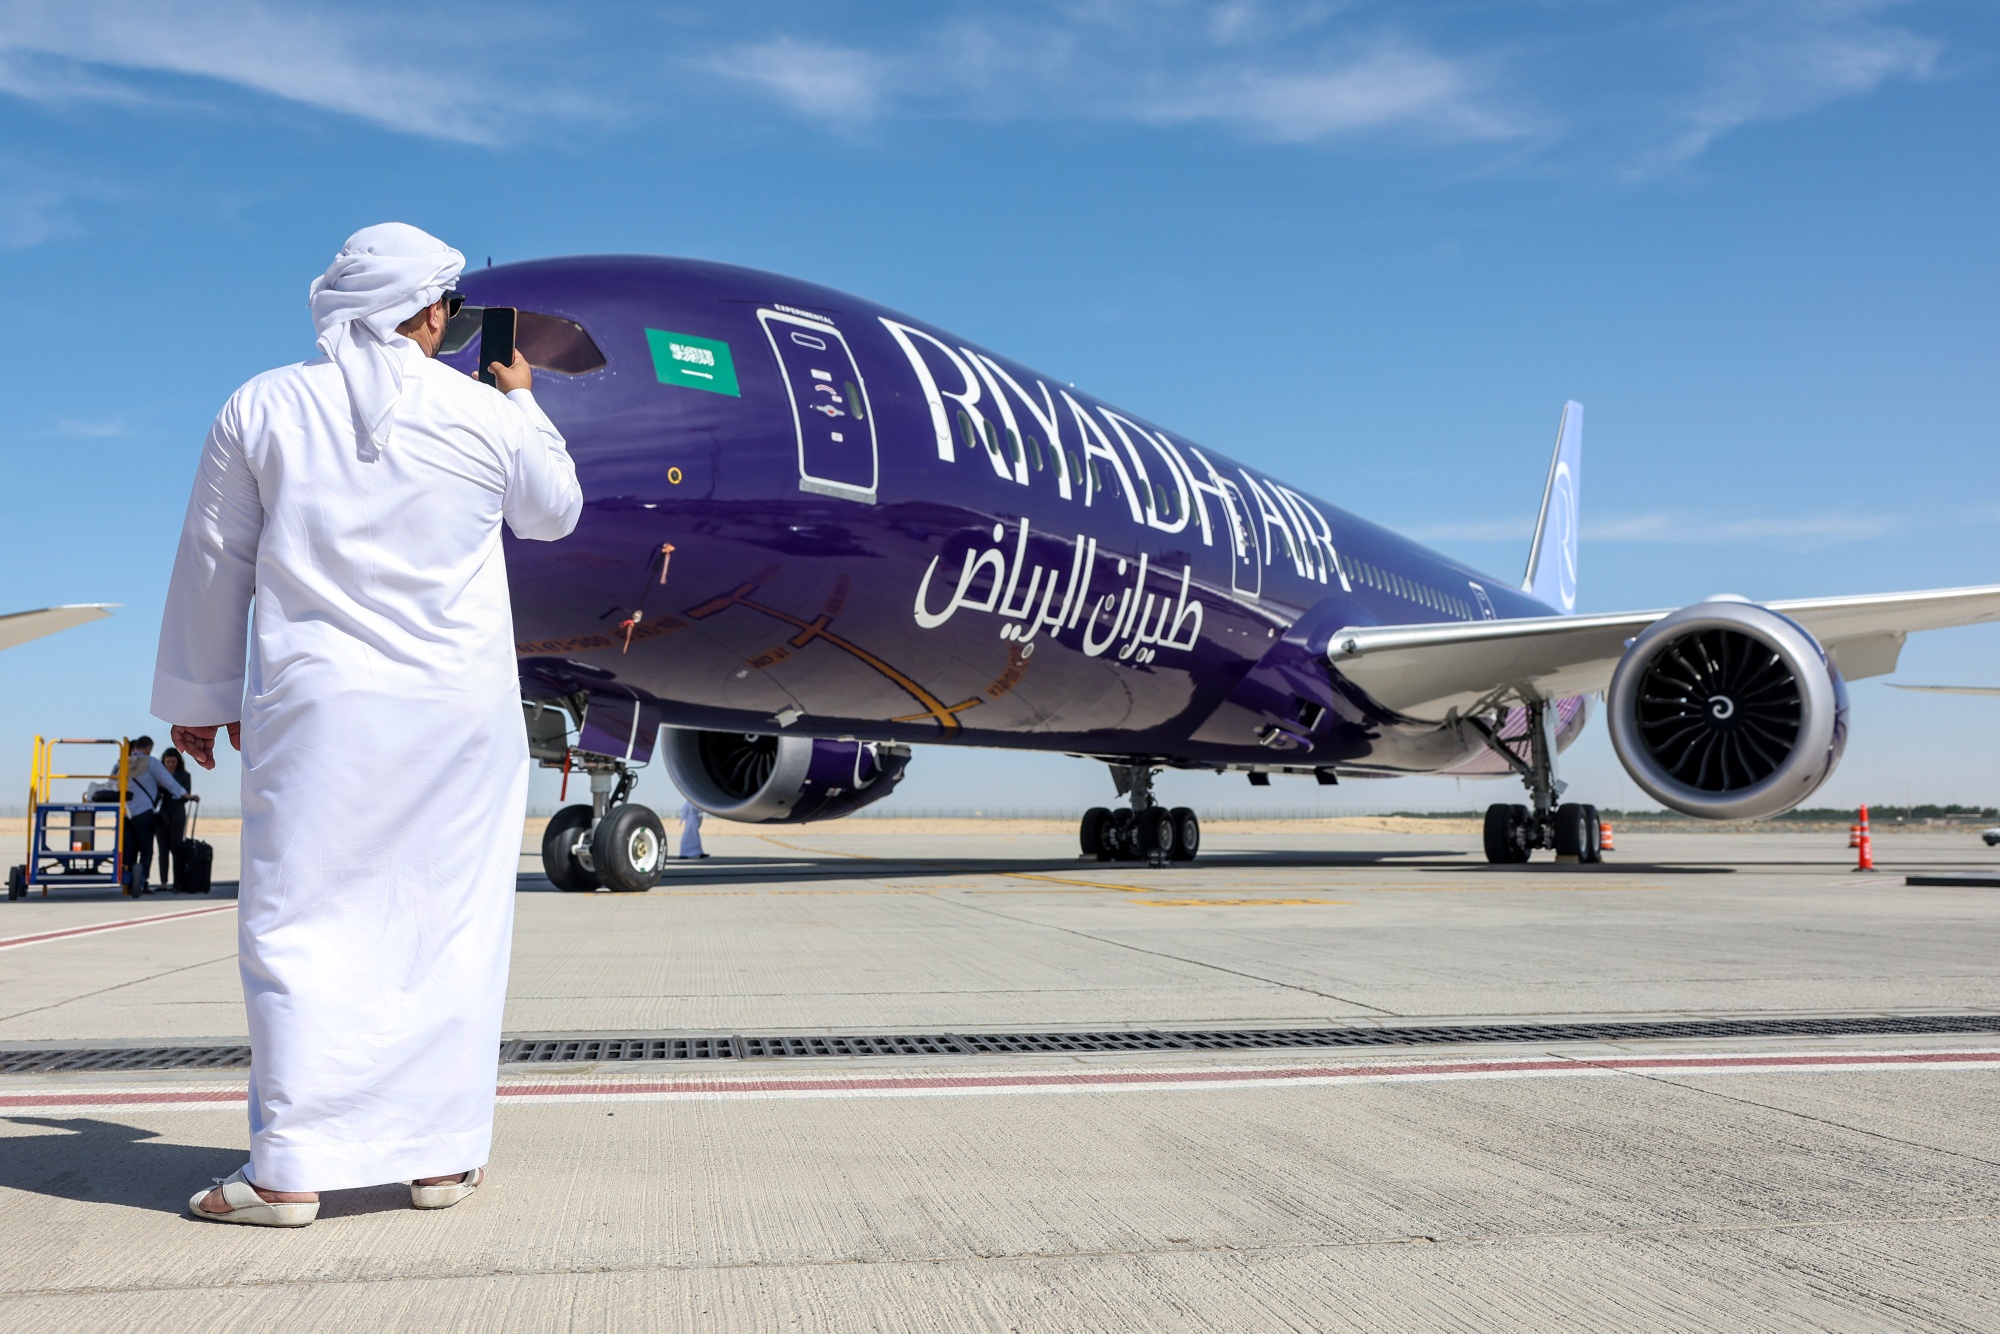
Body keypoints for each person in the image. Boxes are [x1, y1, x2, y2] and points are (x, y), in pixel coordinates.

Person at [153, 223, 582, 1228]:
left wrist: (201, 698)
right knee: (450, 926)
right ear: (427, 312)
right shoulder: (485, 413)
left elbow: (217, 558)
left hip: (320, 712)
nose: (452, 324)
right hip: (458, 720)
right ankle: (441, 1157)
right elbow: (555, 510)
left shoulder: (261, 404)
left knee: (299, 922)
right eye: (449, 309)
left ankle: (289, 1171)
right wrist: (523, 395)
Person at [120, 736, 186, 896]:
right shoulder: (151, 762)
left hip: (125, 812)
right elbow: (168, 781)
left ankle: (128, 883)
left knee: (128, 848)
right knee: (146, 849)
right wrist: (184, 793)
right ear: (149, 748)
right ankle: (142, 882)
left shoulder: (122, 762)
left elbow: (113, 782)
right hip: (144, 812)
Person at [153, 747, 197, 891]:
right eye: (168, 762)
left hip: (177, 816)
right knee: (163, 850)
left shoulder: (185, 776)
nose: (171, 764)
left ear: (178, 762)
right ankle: (163, 882)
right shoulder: (158, 775)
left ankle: (178, 882)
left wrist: (173, 791)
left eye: (173, 761)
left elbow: (185, 796)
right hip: (161, 817)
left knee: (177, 850)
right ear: (163, 762)